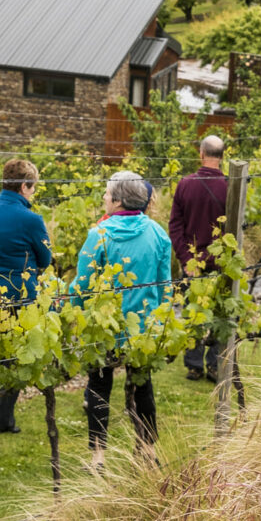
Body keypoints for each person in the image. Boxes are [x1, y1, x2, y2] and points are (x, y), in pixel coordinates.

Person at [70, 170, 172, 457]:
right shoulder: (158, 233)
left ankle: (98, 456)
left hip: (104, 328)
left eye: (107, 192)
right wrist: (160, 322)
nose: (104, 196)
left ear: (117, 201)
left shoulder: (99, 235)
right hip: (143, 328)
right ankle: (147, 449)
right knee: (142, 385)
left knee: (99, 387)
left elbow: (82, 285)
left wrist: (74, 314)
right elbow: (165, 286)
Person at [0, 158, 52, 433]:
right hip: (19, 294)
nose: (33, 193)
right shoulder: (31, 219)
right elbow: (45, 258)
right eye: (33, 187)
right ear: (24, 186)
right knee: (13, 354)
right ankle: (3, 419)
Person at [168, 135, 230, 382]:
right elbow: (234, 230)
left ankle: (194, 365)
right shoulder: (230, 186)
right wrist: (217, 257)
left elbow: (175, 227)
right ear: (222, 156)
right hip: (220, 262)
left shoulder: (185, 184)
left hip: (192, 263)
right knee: (218, 313)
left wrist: (186, 260)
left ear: (201, 154)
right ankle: (214, 364)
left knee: (193, 312)